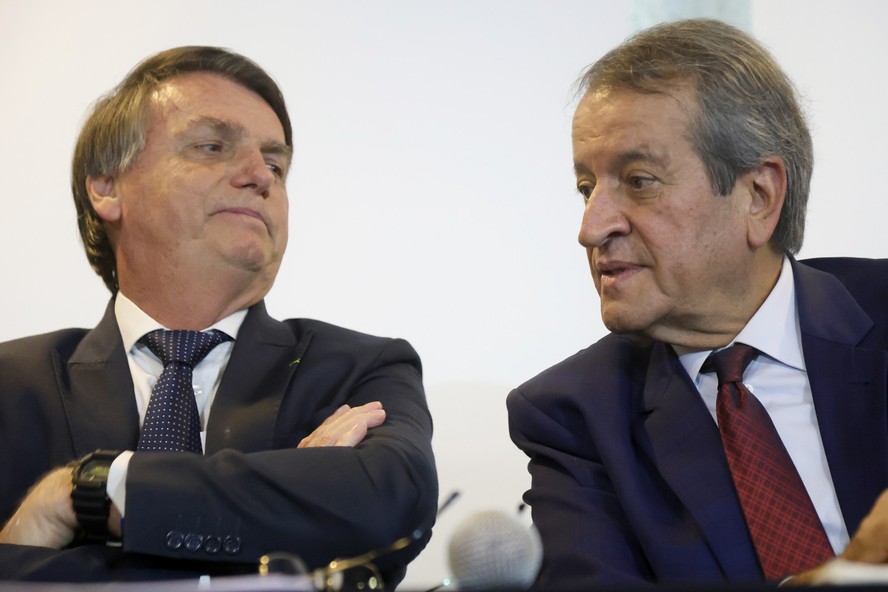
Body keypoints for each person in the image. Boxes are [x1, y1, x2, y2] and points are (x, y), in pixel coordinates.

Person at [0, 46, 438, 586]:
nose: (260, 176)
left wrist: (86, 492)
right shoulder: (12, 386)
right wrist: (286, 506)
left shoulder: (356, 370)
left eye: (275, 164)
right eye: (211, 147)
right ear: (107, 187)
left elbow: (392, 503)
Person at [507, 18, 888, 589]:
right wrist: (845, 579)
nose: (591, 227)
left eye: (639, 181)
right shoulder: (573, 417)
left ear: (758, 196)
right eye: (587, 189)